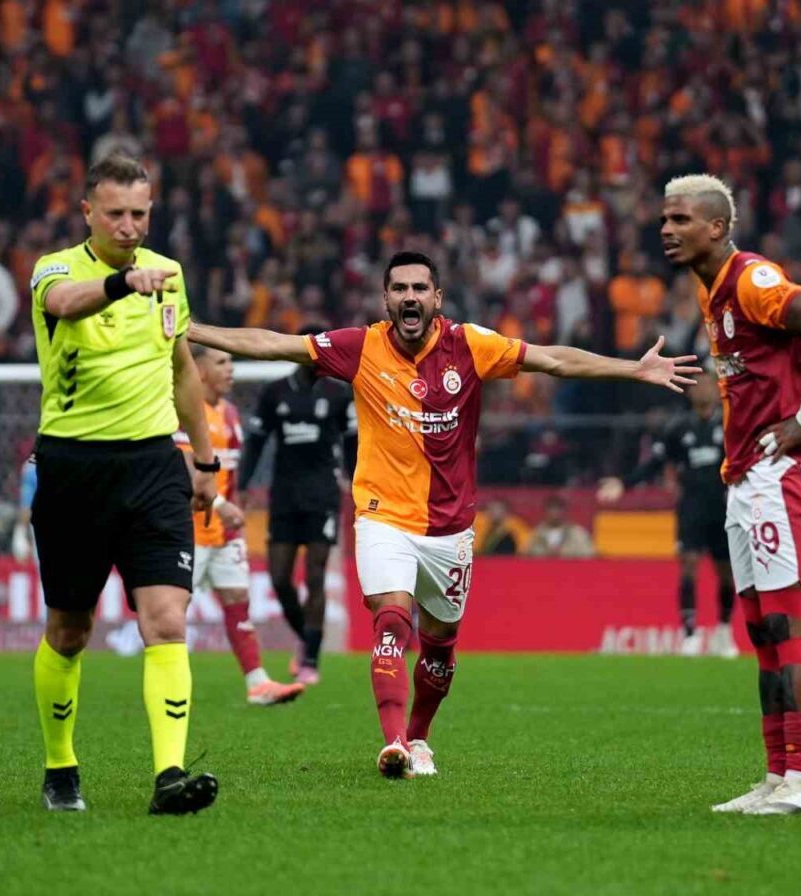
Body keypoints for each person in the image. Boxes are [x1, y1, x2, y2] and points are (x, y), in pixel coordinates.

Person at [189, 249, 699, 779]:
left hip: (451, 529)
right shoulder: (361, 347)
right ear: (386, 299)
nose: (409, 297)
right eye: (399, 288)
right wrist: (194, 330)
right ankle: (393, 744)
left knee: (439, 647)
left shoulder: (470, 345)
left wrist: (632, 368)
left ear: (437, 298)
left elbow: (552, 359)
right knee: (391, 620)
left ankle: (419, 736)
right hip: (383, 515)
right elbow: (274, 343)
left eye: (419, 288)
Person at [27, 154, 220, 815]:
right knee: (69, 630)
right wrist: (121, 284)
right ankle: (60, 767)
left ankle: (170, 776)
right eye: (115, 213)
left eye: (139, 213)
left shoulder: (169, 274)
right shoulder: (55, 268)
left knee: (166, 619)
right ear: (87, 212)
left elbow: (183, 367)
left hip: (153, 466)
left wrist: (205, 460)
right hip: (73, 467)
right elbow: (63, 305)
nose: (128, 225)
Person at [662, 174, 801, 815]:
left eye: (681, 219)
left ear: (717, 227)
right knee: (763, 627)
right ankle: (777, 776)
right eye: (665, 219)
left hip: (786, 466)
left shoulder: (752, 279)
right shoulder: (710, 288)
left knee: (790, 621)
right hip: (747, 471)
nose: (667, 229)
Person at [176, 346, 305, 705]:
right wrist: (219, 505)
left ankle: (257, 683)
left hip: (225, 532)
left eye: (231, 362)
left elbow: (231, 471)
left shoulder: (230, 413)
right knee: (171, 611)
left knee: (238, 601)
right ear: (200, 371)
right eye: (222, 362)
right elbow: (183, 468)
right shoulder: (185, 409)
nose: (231, 369)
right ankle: (170, 685)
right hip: (187, 530)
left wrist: (236, 504)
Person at [239, 326, 357, 685]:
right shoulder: (275, 392)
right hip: (284, 495)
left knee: (316, 575)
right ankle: (307, 638)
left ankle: (310, 658)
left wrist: (356, 479)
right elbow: (256, 441)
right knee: (279, 578)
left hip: (322, 494)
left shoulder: (339, 394)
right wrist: (243, 485)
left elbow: (353, 442)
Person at [598, 380, 738, 658]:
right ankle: (689, 635)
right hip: (691, 506)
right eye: (698, 386)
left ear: (716, 390)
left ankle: (723, 631)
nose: (703, 390)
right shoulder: (678, 428)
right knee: (688, 565)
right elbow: (655, 463)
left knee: (726, 572)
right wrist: (624, 483)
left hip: (723, 507)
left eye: (708, 385)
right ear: (691, 392)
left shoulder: (729, 425)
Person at [523, 494, 596, 558]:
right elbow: (526, 558)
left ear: (565, 511)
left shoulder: (578, 534)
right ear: (545, 511)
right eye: (551, 509)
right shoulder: (536, 535)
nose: (554, 513)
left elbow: (589, 556)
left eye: (558, 509)